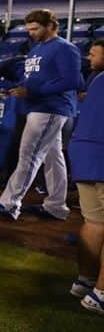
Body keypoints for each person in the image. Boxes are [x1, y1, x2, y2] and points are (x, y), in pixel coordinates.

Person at [0, 9, 81, 221]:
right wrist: (15, 88)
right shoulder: (37, 49)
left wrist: (33, 92)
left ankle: (9, 204)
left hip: (51, 108)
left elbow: (72, 81)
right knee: (53, 158)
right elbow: (32, 79)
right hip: (38, 106)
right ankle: (56, 207)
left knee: (29, 156)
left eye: (35, 28)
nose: (31, 33)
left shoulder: (65, 48)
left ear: (51, 26)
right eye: (29, 29)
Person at [70, 39, 104, 315]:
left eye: (94, 53)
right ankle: (101, 294)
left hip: (83, 150)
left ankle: (85, 281)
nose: (89, 57)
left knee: (94, 221)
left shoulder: (97, 79)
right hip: (100, 149)